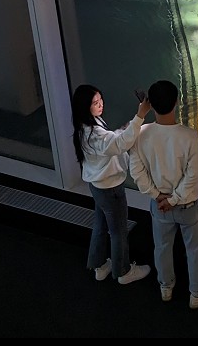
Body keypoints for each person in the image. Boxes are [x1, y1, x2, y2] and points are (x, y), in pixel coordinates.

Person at [129, 79, 198, 309]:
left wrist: (156, 195)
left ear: (150, 104)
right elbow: (192, 178)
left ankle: (166, 287)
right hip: (188, 206)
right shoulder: (189, 137)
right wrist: (174, 200)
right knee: (196, 249)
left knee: (162, 247)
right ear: (177, 102)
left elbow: (137, 171)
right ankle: (197, 293)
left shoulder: (141, 135)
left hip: (159, 205)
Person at [71, 84, 152, 286]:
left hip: (97, 186)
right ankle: (123, 271)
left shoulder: (84, 128)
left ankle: (99, 265)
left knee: (100, 226)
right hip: (110, 189)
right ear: (84, 107)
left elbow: (111, 142)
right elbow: (117, 144)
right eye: (95, 103)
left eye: (100, 100)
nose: (100, 105)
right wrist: (140, 115)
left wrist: (126, 128)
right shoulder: (95, 133)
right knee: (118, 231)